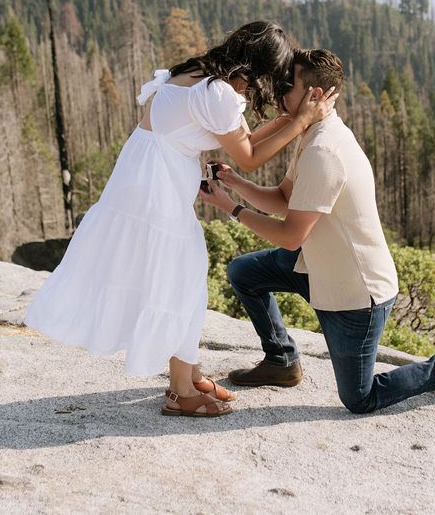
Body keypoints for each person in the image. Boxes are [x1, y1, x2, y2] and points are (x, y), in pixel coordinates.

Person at [25, 22, 338, 418]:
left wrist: (298, 119)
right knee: (177, 281)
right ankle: (180, 393)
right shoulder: (219, 93)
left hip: (147, 176)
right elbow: (249, 157)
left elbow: (244, 141)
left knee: (186, 275)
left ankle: (189, 376)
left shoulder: (199, 76)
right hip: (155, 189)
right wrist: (300, 122)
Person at [199, 48, 435, 414]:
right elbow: (284, 198)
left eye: (288, 85)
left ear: (315, 96)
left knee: (359, 397)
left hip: (356, 294)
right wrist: (234, 182)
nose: (278, 91)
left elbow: (291, 235)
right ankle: (282, 361)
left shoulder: (325, 150)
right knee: (244, 272)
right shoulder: (311, 134)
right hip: (318, 268)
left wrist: (231, 208)